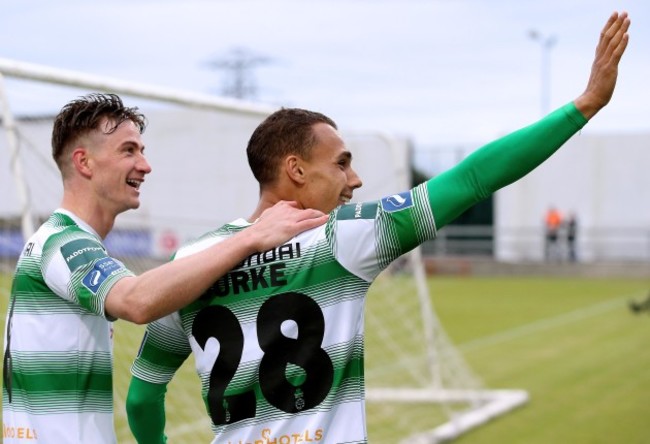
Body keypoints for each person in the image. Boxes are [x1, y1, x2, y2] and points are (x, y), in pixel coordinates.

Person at [126, 11, 630, 444]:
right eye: (342, 164)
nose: (355, 179)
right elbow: (475, 177)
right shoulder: (344, 238)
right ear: (297, 171)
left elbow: (143, 396)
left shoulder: (189, 266)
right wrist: (584, 105)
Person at [1, 93, 327, 444]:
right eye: (129, 150)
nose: (145, 165)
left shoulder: (66, 241)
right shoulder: (62, 243)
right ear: (84, 162)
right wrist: (251, 238)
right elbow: (136, 301)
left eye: (142, 150)